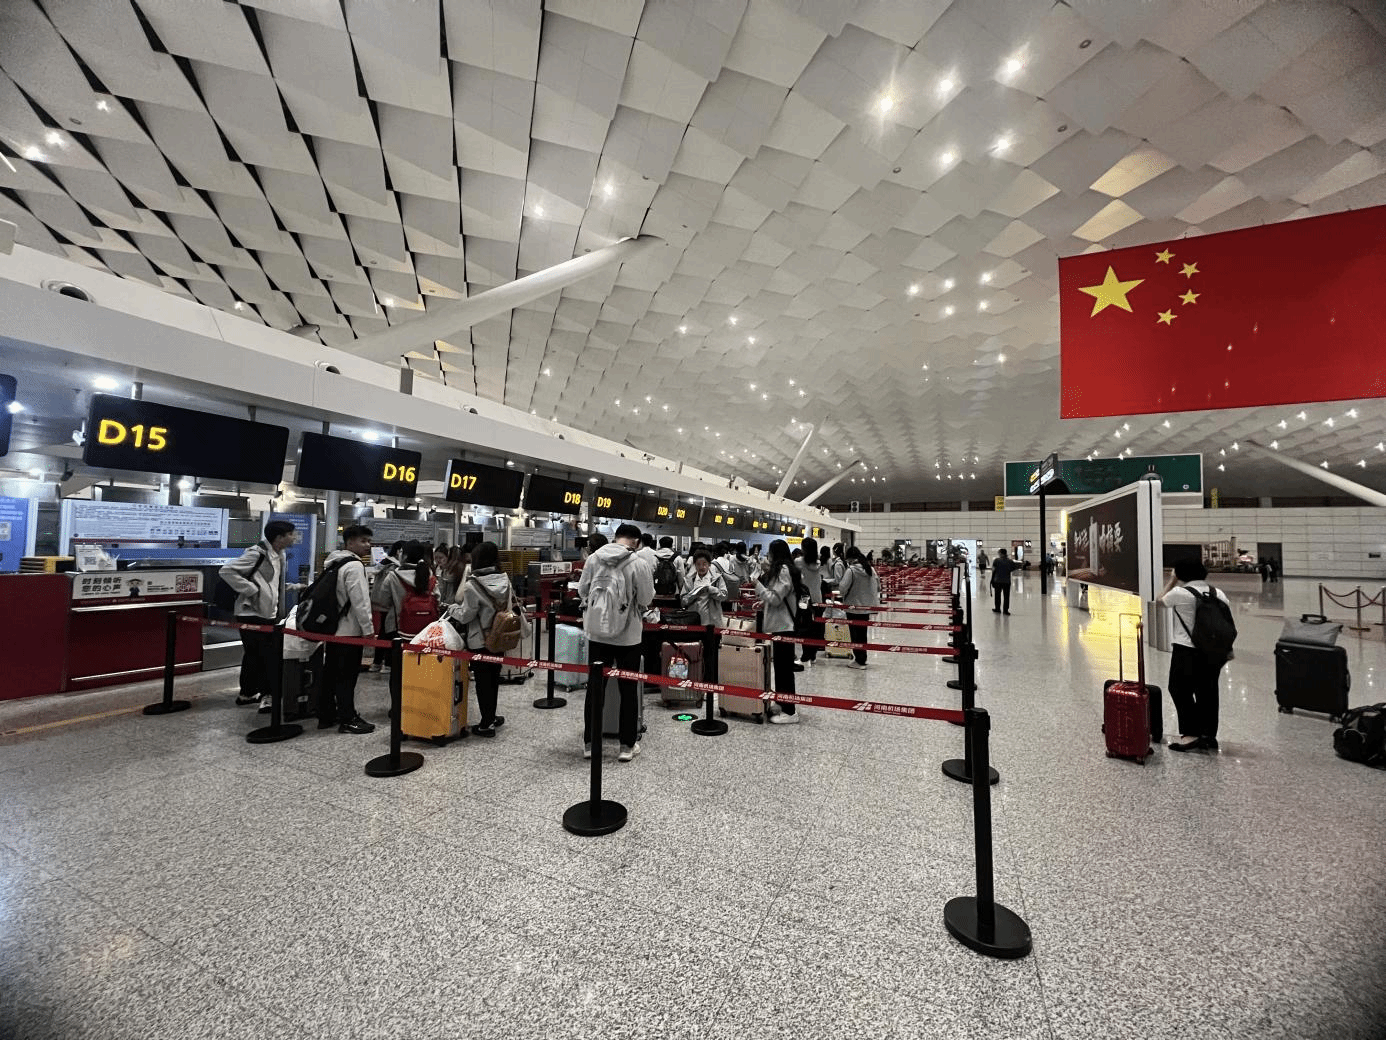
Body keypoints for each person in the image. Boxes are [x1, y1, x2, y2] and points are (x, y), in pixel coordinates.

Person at [576, 522, 655, 762]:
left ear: (616, 537)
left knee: (595, 688)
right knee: (628, 689)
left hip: (597, 633)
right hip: (628, 636)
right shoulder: (638, 563)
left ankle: (590, 743)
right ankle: (626, 746)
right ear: (636, 542)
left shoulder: (593, 559)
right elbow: (646, 598)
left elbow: (582, 591)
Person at [220, 520, 300, 709]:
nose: (294, 537)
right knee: (268, 656)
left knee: (253, 655)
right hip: (251, 612)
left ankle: (247, 694)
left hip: (267, 612)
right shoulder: (257, 553)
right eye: (291, 534)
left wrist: (292, 587)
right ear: (279, 537)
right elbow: (226, 571)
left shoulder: (279, 554)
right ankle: (268, 696)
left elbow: (270, 583)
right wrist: (251, 589)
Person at [1161, 559, 1232, 753]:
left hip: (1186, 649)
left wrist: (1172, 580)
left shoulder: (1180, 593)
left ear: (1181, 574)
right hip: (1213, 652)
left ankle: (1191, 735)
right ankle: (1209, 736)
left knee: (1179, 689)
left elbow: (1160, 601)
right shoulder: (1218, 593)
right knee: (1208, 692)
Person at [450, 540, 519, 737]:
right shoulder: (505, 579)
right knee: (493, 679)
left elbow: (466, 615)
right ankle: (491, 716)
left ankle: (486, 724)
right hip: (500, 637)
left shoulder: (472, 585)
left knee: (482, 682)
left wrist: (452, 609)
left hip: (480, 641)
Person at [319, 525, 376, 734]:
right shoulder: (354, 566)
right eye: (363, 541)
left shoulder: (333, 562)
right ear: (350, 542)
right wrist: (368, 629)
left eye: (369, 541)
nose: (368, 545)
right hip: (350, 631)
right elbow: (360, 601)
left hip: (332, 629)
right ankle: (348, 718)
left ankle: (326, 714)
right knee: (346, 676)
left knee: (331, 673)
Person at [756, 539, 808, 723]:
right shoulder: (784, 569)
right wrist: (764, 602)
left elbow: (776, 598)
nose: (768, 556)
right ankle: (782, 702)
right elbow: (777, 597)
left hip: (785, 626)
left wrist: (758, 587)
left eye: (770, 552)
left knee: (784, 669)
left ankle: (790, 711)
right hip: (782, 625)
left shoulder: (784, 571)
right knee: (780, 667)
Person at [681, 549, 727, 683]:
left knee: (712, 654)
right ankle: (695, 679)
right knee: (695, 653)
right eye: (698, 564)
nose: (702, 567)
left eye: (704, 564)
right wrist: (694, 594)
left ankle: (711, 681)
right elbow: (683, 601)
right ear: (695, 565)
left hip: (713, 624)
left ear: (709, 564)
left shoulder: (717, 578)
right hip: (695, 624)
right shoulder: (689, 579)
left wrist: (711, 590)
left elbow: (724, 596)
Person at [837, 546, 880, 669]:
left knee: (855, 635)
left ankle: (859, 660)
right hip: (866, 608)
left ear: (850, 558)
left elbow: (842, 588)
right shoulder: (870, 568)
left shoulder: (851, 570)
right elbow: (878, 586)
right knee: (862, 634)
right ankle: (862, 658)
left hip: (853, 607)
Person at [383, 541, 437, 638]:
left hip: (398, 629)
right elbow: (437, 600)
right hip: (427, 631)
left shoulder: (393, 576)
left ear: (405, 556)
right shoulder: (430, 576)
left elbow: (383, 602)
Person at [368, 540, 405, 673]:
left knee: (384, 632)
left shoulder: (384, 563)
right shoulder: (393, 567)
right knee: (390, 633)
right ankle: (387, 663)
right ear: (398, 551)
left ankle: (377, 662)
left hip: (381, 603)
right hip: (390, 604)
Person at [796, 536, 826, 668]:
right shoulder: (818, 563)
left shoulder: (798, 561)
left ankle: (805, 656)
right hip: (818, 598)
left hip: (804, 598)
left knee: (804, 628)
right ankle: (813, 656)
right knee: (815, 628)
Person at [990, 548, 1018, 614]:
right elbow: (1014, 568)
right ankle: (1005, 610)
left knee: (997, 596)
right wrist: (1007, 570)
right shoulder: (1010, 561)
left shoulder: (996, 561)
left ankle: (997, 608)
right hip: (1006, 581)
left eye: (999, 553)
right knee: (1006, 596)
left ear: (1001, 553)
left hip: (998, 580)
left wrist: (992, 580)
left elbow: (993, 570)